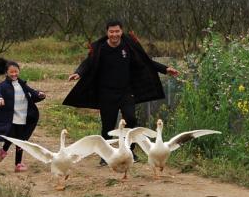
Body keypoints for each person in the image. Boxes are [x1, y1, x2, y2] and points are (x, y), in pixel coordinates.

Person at [63, 20, 179, 165]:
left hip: (126, 92)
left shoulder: (128, 46)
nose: (114, 34)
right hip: (107, 94)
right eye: (111, 32)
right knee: (108, 126)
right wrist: (78, 73)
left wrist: (165, 69)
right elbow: (88, 63)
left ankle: (130, 152)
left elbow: (145, 61)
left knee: (131, 120)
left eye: (117, 31)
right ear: (107, 33)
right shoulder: (100, 48)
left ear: (121, 31)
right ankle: (105, 156)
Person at [0, 58, 46, 172]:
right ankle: (8, 155)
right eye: (11, 72)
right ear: (6, 73)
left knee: (21, 140)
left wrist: (39, 94)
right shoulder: (3, 86)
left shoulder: (22, 84)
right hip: (11, 118)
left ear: (19, 71)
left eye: (16, 71)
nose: (14, 74)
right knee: (15, 138)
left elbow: (32, 93)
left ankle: (15, 161)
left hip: (24, 117)